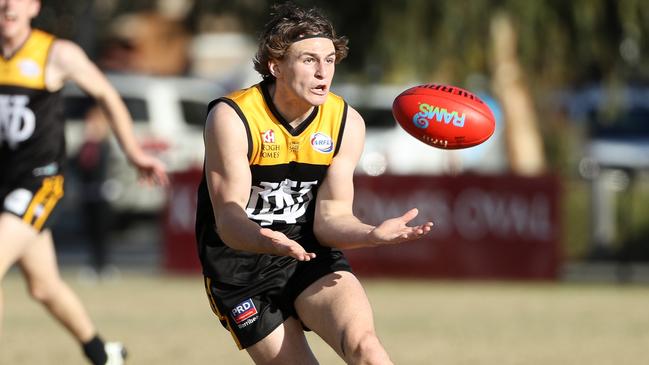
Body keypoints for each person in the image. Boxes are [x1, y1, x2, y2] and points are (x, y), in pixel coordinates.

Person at [195, 3, 433, 364]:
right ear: (275, 66)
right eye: (309, 60)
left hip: (309, 252)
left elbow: (330, 217)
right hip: (240, 267)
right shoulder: (233, 117)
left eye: (330, 59)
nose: (324, 72)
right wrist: (263, 238)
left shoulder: (345, 122)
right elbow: (228, 219)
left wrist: (370, 234)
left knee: (365, 348)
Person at [0, 0, 168, 364]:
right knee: (44, 287)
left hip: (39, 181)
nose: (8, 4)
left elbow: (106, 94)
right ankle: (103, 354)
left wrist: (134, 152)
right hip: (4, 184)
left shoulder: (55, 53)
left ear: (33, 6)